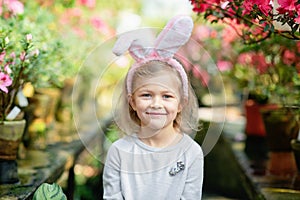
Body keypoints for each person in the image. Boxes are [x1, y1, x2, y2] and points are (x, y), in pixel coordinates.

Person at [103, 15, 204, 200]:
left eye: (167, 96)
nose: (156, 104)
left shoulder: (191, 152)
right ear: (132, 102)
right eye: (146, 95)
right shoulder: (119, 152)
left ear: (181, 103)